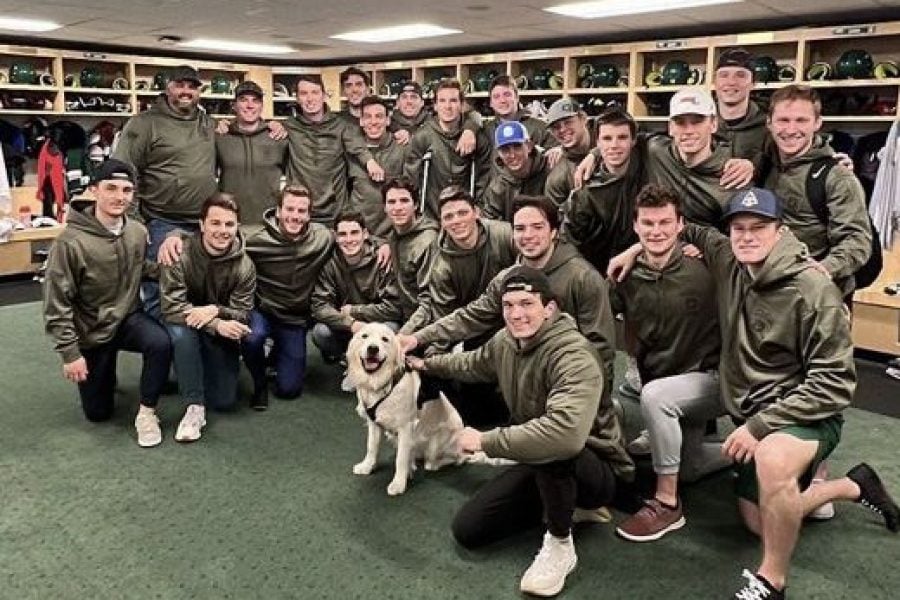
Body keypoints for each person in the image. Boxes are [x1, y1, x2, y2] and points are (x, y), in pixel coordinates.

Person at [612, 187, 899, 598]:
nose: (747, 236)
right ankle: (852, 486)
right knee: (759, 523)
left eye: (759, 227)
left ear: (780, 231)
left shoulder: (813, 291)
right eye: (739, 228)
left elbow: (835, 383)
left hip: (803, 413)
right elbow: (669, 227)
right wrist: (631, 253)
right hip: (745, 400)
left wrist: (759, 426)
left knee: (770, 456)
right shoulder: (730, 260)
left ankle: (771, 581)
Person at [407, 266, 633, 598]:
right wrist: (427, 364)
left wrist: (485, 441)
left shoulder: (573, 354)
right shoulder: (505, 341)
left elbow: (564, 436)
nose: (517, 314)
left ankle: (560, 544)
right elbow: (472, 364)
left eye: (527, 303)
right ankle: (563, 505)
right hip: (540, 455)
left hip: (592, 463)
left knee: (553, 448)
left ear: (550, 309)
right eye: (509, 305)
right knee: (469, 529)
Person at [401, 195, 618, 412]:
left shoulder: (583, 278)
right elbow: (472, 316)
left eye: (537, 227)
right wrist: (417, 338)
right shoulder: (510, 276)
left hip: (568, 383)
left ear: (553, 232)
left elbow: (601, 349)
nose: (528, 235)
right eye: (520, 228)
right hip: (525, 378)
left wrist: (595, 405)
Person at [610, 184, 728, 543]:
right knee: (688, 469)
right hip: (666, 386)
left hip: (712, 382)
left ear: (680, 225)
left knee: (656, 397)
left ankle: (666, 503)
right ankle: (746, 448)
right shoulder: (623, 275)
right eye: (648, 224)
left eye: (665, 222)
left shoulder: (706, 269)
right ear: (636, 227)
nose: (656, 231)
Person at [43, 159, 171, 448]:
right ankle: (103, 372)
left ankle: (147, 412)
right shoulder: (69, 243)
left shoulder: (137, 231)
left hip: (127, 317)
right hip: (92, 330)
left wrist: (180, 268)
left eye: (126, 190)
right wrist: (69, 353)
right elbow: (56, 303)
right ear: (93, 191)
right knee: (98, 414)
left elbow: (142, 269)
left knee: (161, 342)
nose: (119, 196)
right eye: (110, 188)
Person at [112, 65, 217, 317]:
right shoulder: (144, 123)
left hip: (201, 224)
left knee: (200, 291)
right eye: (179, 85)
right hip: (162, 222)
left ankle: (194, 347)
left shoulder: (207, 123)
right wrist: (136, 223)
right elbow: (124, 173)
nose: (185, 91)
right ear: (167, 87)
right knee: (162, 293)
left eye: (192, 87)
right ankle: (163, 350)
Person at [160, 194, 255, 442]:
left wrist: (215, 310)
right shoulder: (179, 252)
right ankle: (194, 408)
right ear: (201, 225)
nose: (222, 231)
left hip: (215, 326)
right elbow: (171, 308)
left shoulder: (245, 265)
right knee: (182, 336)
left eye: (229, 224)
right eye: (215, 223)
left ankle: (189, 367)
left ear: (237, 227)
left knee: (224, 400)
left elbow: (243, 312)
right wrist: (217, 323)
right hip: (185, 323)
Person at [763, 84, 872, 297]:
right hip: (770, 291)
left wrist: (822, 269)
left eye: (801, 120)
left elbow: (856, 240)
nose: (791, 129)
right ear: (769, 123)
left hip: (818, 296)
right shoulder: (764, 165)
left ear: (817, 123)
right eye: (783, 120)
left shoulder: (837, 176)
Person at [240, 185, 334, 409]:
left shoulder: (321, 237)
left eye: (301, 211)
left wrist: (380, 245)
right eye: (289, 209)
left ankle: (275, 355)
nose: (295, 216)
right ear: (278, 211)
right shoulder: (254, 237)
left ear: (309, 214)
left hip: (294, 319)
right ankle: (259, 383)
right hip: (262, 310)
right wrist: (176, 236)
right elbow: (215, 236)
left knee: (289, 389)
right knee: (253, 337)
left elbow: (353, 238)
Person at [311, 211, 403, 382]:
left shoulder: (383, 260)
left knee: (393, 329)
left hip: (376, 323)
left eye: (354, 233)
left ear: (365, 234)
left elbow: (394, 307)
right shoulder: (330, 264)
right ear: (336, 237)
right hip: (348, 327)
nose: (349, 239)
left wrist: (355, 311)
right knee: (320, 332)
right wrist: (351, 324)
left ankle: (377, 365)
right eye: (343, 234)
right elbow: (319, 306)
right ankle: (347, 358)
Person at [285, 74, 383, 224]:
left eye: (315, 92)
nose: (310, 99)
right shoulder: (289, 127)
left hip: (335, 213)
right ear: (297, 98)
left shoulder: (341, 125)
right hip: (301, 213)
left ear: (324, 96)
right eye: (304, 94)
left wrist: (370, 162)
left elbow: (356, 145)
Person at [565, 107, 644, 272]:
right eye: (607, 139)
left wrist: (594, 154)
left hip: (645, 264)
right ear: (598, 142)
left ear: (634, 141)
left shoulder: (648, 163)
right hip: (599, 273)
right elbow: (569, 246)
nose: (614, 145)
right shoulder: (584, 192)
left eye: (622, 137)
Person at [403, 79, 492, 221]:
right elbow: (411, 179)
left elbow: (485, 176)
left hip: (465, 213)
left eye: (453, 101)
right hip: (431, 214)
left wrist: (479, 206)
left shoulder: (477, 138)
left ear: (462, 105)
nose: (448, 106)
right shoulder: (422, 137)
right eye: (442, 101)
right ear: (436, 106)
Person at [215, 80, 288, 226]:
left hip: (269, 222)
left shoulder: (278, 137)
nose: (250, 105)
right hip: (230, 222)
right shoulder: (220, 137)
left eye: (255, 100)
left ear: (261, 106)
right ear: (234, 105)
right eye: (243, 100)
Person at [381, 177, 439, 336]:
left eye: (404, 201)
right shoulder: (395, 236)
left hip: (429, 323)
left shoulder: (427, 241)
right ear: (384, 208)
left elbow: (430, 302)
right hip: (404, 315)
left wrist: (402, 338)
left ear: (415, 205)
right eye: (391, 202)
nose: (397, 207)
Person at [348, 96, 409, 236]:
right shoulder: (351, 151)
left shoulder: (402, 148)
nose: (373, 122)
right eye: (368, 117)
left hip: (393, 234)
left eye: (379, 116)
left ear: (388, 120)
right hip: (358, 235)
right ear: (361, 121)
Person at [482, 120, 552, 222]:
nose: (512, 155)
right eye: (505, 150)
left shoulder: (550, 169)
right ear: (499, 153)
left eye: (517, 147)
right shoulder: (497, 188)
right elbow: (491, 224)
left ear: (529, 146)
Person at [482, 74, 556, 170]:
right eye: (496, 97)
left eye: (507, 94)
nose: (502, 100)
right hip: (493, 185)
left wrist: (559, 150)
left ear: (517, 97)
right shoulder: (485, 130)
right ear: (491, 103)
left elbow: (561, 150)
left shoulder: (539, 128)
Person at [713, 48, 769, 168]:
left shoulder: (769, 127)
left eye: (740, 75)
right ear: (715, 82)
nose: (731, 82)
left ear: (753, 83)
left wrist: (754, 167)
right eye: (724, 75)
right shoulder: (700, 123)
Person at [544, 98, 596, 206]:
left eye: (568, 122)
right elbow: (556, 217)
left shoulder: (607, 139)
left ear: (583, 119)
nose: (562, 129)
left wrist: (596, 154)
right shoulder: (558, 176)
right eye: (556, 127)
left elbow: (637, 140)